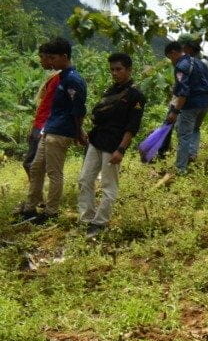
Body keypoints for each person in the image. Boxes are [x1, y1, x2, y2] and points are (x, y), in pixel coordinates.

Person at [18, 37, 86, 226]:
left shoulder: (73, 79)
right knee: (35, 167)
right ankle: (30, 209)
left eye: (54, 58)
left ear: (64, 57)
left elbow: (78, 109)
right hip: (49, 129)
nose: (51, 62)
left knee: (54, 172)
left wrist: (78, 131)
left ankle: (51, 212)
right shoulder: (62, 76)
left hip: (61, 132)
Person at [76, 52, 145, 237]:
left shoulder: (135, 95)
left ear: (129, 70)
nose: (115, 73)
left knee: (108, 185)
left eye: (118, 69)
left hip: (113, 145)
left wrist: (121, 149)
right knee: (84, 180)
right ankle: (86, 218)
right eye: (112, 70)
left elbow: (132, 126)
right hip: (96, 141)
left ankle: (100, 222)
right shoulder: (110, 91)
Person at [163, 38, 208, 175]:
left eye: (170, 58)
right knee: (195, 129)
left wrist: (175, 111)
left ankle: (180, 169)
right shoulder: (200, 63)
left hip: (191, 105)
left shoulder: (181, 67)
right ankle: (191, 154)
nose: (171, 61)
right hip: (204, 104)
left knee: (184, 135)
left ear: (173, 53)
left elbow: (183, 92)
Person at [22, 43, 57, 177]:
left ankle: (37, 194)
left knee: (31, 164)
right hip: (40, 124)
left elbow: (54, 107)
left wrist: (43, 128)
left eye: (42, 57)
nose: (40, 60)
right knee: (34, 164)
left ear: (50, 57)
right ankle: (36, 194)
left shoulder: (58, 78)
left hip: (44, 125)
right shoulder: (53, 77)